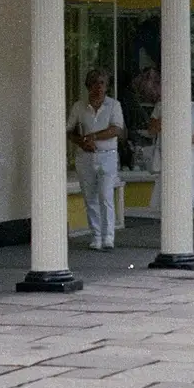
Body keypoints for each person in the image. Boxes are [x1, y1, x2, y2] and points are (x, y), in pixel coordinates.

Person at [67, 68, 126, 251]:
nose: (98, 87)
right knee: (89, 197)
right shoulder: (79, 106)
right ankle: (96, 235)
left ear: (106, 86)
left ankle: (109, 236)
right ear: (88, 86)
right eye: (94, 83)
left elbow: (117, 129)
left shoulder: (113, 105)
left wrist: (93, 137)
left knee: (106, 195)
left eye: (102, 83)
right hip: (85, 156)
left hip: (107, 155)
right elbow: (69, 130)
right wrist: (82, 142)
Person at [149, 97, 194, 212]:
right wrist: (161, 120)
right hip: (167, 152)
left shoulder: (193, 107)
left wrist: (186, 140)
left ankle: (185, 211)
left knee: (186, 183)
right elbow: (151, 130)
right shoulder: (160, 106)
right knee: (169, 183)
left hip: (188, 153)